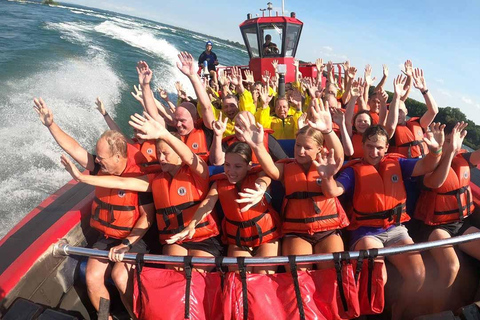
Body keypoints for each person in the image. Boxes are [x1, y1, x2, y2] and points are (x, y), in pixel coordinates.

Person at [33, 98, 154, 319]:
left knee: (120, 275)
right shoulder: (100, 167)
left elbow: (148, 217)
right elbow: (73, 148)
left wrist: (127, 244)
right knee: (91, 276)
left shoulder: (140, 176)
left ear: (118, 157)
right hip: (107, 236)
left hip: (133, 238)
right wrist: (51, 125)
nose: (97, 161)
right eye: (96, 157)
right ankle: (106, 317)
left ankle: (135, 316)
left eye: (101, 157)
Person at [319, 120, 450, 319]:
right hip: (366, 232)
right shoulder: (352, 171)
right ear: (362, 145)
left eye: (379, 147)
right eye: (369, 146)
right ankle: (363, 315)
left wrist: (436, 150)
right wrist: (327, 177)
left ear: (386, 147)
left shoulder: (398, 163)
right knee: (378, 276)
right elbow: (334, 191)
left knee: (418, 275)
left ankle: (398, 310)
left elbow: (427, 165)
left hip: (396, 229)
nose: (374, 152)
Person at [63, 112, 222, 270]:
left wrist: (164, 134)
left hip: (204, 238)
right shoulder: (155, 179)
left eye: (165, 153)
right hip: (175, 239)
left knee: (197, 274)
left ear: (179, 156)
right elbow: (122, 182)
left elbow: (190, 157)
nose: (161, 158)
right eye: (159, 153)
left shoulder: (199, 173)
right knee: (176, 272)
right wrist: (82, 178)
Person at [240, 99, 349, 270]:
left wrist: (328, 131)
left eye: (307, 147)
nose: (300, 151)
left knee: (334, 270)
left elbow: (339, 156)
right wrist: (258, 146)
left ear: (319, 149)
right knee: (299, 273)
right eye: (298, 146)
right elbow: (270, 169)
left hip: (327, 229)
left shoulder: (327, 163)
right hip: (297, 232)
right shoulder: (286, 167)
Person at [169, 141, 282, 274]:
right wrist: (192, 225)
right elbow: (207, 204)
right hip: (238, 241)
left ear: (249, 166)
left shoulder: (259, 175)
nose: (231, 171)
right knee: (241, 278)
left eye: (238, 166)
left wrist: (261, 189)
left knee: (263, 276)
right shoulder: (219, 184)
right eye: (227, 165)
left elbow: (264, 180)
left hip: (267, 238)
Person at [414, 121, 480, 312]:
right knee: (452, 266)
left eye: (454, 140)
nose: (451, 144)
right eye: (447, 140)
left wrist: (455, 151)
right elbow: (436, 183)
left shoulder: (464, 158)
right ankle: (437, 311)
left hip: (460, 224)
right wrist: (449, 152)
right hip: (435, 227)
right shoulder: (428, 163)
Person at [137, 59, 214, 163]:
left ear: (195, 118)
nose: (178, 124)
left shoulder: (207, 131)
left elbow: (206, 107)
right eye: (176, 119)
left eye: (182, 120)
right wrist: (145, 85)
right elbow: (155, 116)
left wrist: (192, 76)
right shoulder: (173, 132)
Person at [387, 68, 438, 158]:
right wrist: (396, 96)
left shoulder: (418, 124)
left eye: (401, 111)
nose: (398, 114)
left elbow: (433, 111)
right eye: (395, 111)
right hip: (400, 167)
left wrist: (424, 89)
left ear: (406, 112)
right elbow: (390, 127)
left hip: (421, 165)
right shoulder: (387, 128)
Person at [209, 111, 288, 165]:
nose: (240, 128)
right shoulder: (229, 143)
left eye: (244, 124)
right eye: (237, 125)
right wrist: (217, 136)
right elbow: (216, 163)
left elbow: (284, 161)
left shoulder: (267, 139)